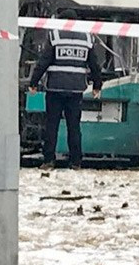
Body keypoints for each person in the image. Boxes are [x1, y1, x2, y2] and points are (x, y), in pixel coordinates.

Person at [29, 10, 102, 170]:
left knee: (51, 125)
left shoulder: (55, 36)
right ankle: (75, 161)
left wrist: (33, 82)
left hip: (55, 88)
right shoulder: (88, 38)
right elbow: (94, 65)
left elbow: (44, 61)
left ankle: (49, 160)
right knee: (74, 126)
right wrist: (97, 85)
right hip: (76, 90)